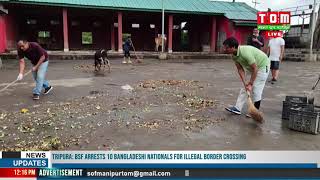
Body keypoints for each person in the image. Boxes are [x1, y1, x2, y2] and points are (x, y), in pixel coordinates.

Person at [223, 37, 270, 116]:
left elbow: (255, 68)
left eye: (227, 48)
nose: (225, 49)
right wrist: (245, 82)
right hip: (251, 67)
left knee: (256, 89)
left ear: (233, 47)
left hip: (262, 66)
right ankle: (237, 108)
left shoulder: (245, 53)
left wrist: (251, 83)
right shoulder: (234, 55)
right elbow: (240, 69)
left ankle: (255, 111)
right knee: (244, 88)